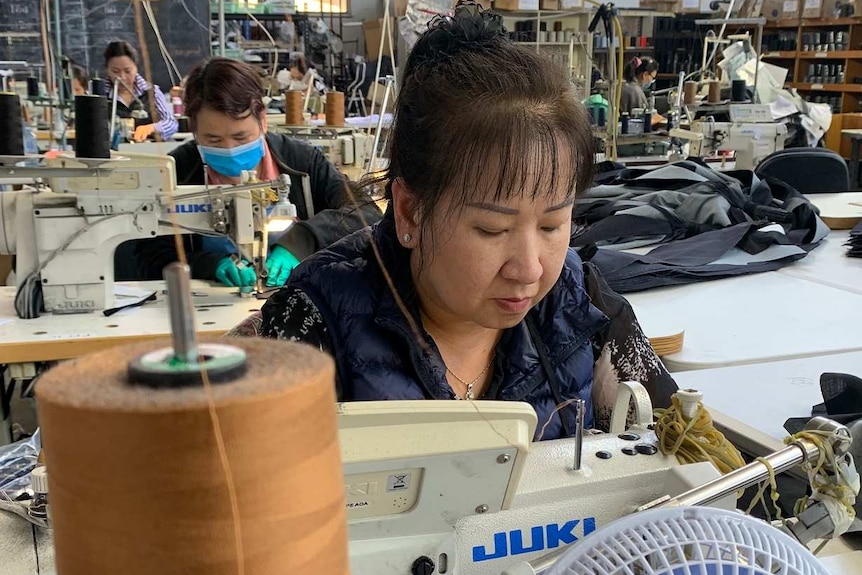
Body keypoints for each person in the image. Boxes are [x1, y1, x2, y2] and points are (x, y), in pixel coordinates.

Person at [255, 1, 674, 441]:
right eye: (493, 229)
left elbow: (682, 449)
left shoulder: (578, 305)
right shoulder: (313, 326)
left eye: (552, 225)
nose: (530, 269)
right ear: (409, 212)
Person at [120, 57, 382, 287]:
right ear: (194, 130)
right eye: (213, 140)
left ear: (263, 120)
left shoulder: (301, 163)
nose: (229, 148)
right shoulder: (177, 171)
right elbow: (149, 256)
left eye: (240, 136)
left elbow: (366, 214)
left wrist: (303, 240)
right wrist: (209, 265)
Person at [104, 40, 178, 142]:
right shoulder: (100, 95)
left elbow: (171, 123)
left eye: (127, 71)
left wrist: (151, 128)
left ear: (136, 68)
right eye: (115, 71)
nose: (122, 77)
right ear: (107, 70)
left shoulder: (152, 92)